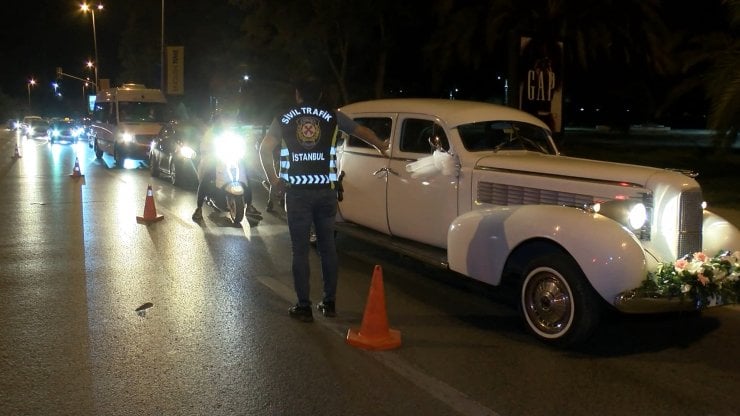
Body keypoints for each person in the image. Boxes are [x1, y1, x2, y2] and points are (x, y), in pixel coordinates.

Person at [259, 77, 389, 322]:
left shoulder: (283, 117)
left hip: (296, 193)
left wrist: (274, 179)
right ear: (319, 95)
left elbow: (264, 149)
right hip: (326, 191)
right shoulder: (332, 116)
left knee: (299, 251)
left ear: (298, 94)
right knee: (327, 248)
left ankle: (304, 306)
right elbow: (363, 132)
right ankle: (329, 303)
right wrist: (382, 145)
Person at [192, 113, 261, 221]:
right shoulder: (211, 133)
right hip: (217, 160)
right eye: (223, 120)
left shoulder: (234, 132)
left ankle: (249, 206)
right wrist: (208, 152)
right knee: (205, 179)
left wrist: (247, 146)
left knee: (246, 175)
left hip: (233, 157)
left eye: (228, 120)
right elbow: (204, 145)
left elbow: (243, 142)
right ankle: (199, 208)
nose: (226, 122)